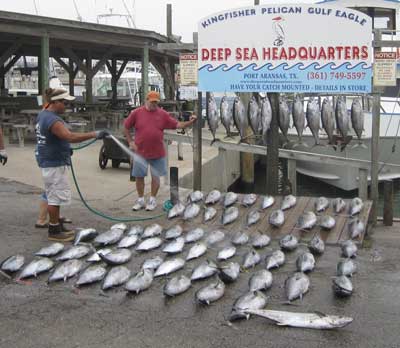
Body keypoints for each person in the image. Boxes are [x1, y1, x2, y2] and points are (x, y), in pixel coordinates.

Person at [36, 88, 109, 241]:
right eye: (63, 102)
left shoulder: (44, 114)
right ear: (54, 102)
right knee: (55, 197)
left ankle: (56, 224)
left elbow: (55, 138)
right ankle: (54, 230)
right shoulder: (52, 120)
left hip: (50, 160)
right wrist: (94, 134)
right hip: (54, 163)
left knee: (53, 195)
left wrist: (64, 148)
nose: (66, 105)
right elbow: (70, 136)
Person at [124, 90, 197, 211]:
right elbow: (126, 127)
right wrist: (130, 142)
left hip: (157, 153)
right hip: (140, 152)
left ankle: (152, 200)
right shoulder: (136, 113)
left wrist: (191, 121)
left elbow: (178, 125)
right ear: (146, 100)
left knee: (155, 177)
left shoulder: (162, 114)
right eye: (152, 102)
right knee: (139, 176)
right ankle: (141, 199)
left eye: (156, 102)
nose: (154, 104)